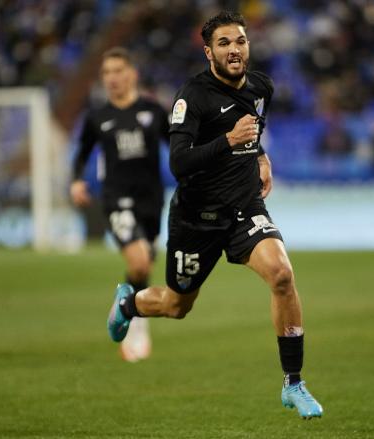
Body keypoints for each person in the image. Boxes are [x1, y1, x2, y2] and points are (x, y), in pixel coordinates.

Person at [106, 11, 324, 419]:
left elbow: (252, 131)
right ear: (209, 52)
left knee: (282, 275)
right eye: (223, 43)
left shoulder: (262, 87)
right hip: (196, 219)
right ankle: (130, 304)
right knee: (176, 305)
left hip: (244, 207)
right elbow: (178, 164)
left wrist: (260, 155)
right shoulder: (192, 97)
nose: (234, 49)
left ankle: (293, 383)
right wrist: (229, 140)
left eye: (239, 41)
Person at [71, 47, 170, 362]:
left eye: (117, 71)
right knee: (139, 263)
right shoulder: (98, 117)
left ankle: (129, 306)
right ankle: (137, 323)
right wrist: (76, 180)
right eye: (106, 73)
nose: (111, 78)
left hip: (152, 200)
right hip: (116, 199)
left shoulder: (154, 112)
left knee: (145, 266)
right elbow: (82, 152)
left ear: (132, 74)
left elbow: (178, 147)